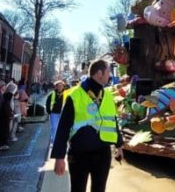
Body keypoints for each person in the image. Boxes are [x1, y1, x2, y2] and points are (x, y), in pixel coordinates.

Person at [52, 59, 124, 192]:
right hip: (80, 154)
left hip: (103, 153)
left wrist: (119, 145)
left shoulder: (107, 95)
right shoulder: (75, 95)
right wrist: (59, 157)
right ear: (99, 73)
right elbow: (63, 127)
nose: (110, 75)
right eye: (108, 71)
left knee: (99, 189)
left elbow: (113, 122)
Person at [46, 80, 65, 145]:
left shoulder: (66, 94)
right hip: (54, 113)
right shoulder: (52, 94)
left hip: (63, 113)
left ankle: (61, 141)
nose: (60, 87)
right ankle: (53, 142)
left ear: (63, 87)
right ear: (56, 87)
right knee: (54, 127)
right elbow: (48, 103)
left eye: (61, 86)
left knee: (62, 128)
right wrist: (49, 111)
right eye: (58, 86)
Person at [0, 84, 13, 151]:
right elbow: (7, 112)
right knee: (4, 132)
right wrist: (11, 116)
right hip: (4, 120)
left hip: (3, 119)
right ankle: (2, 145)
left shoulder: (4, 102)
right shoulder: (6, 103)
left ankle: (1, 144)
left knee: (3, 132)